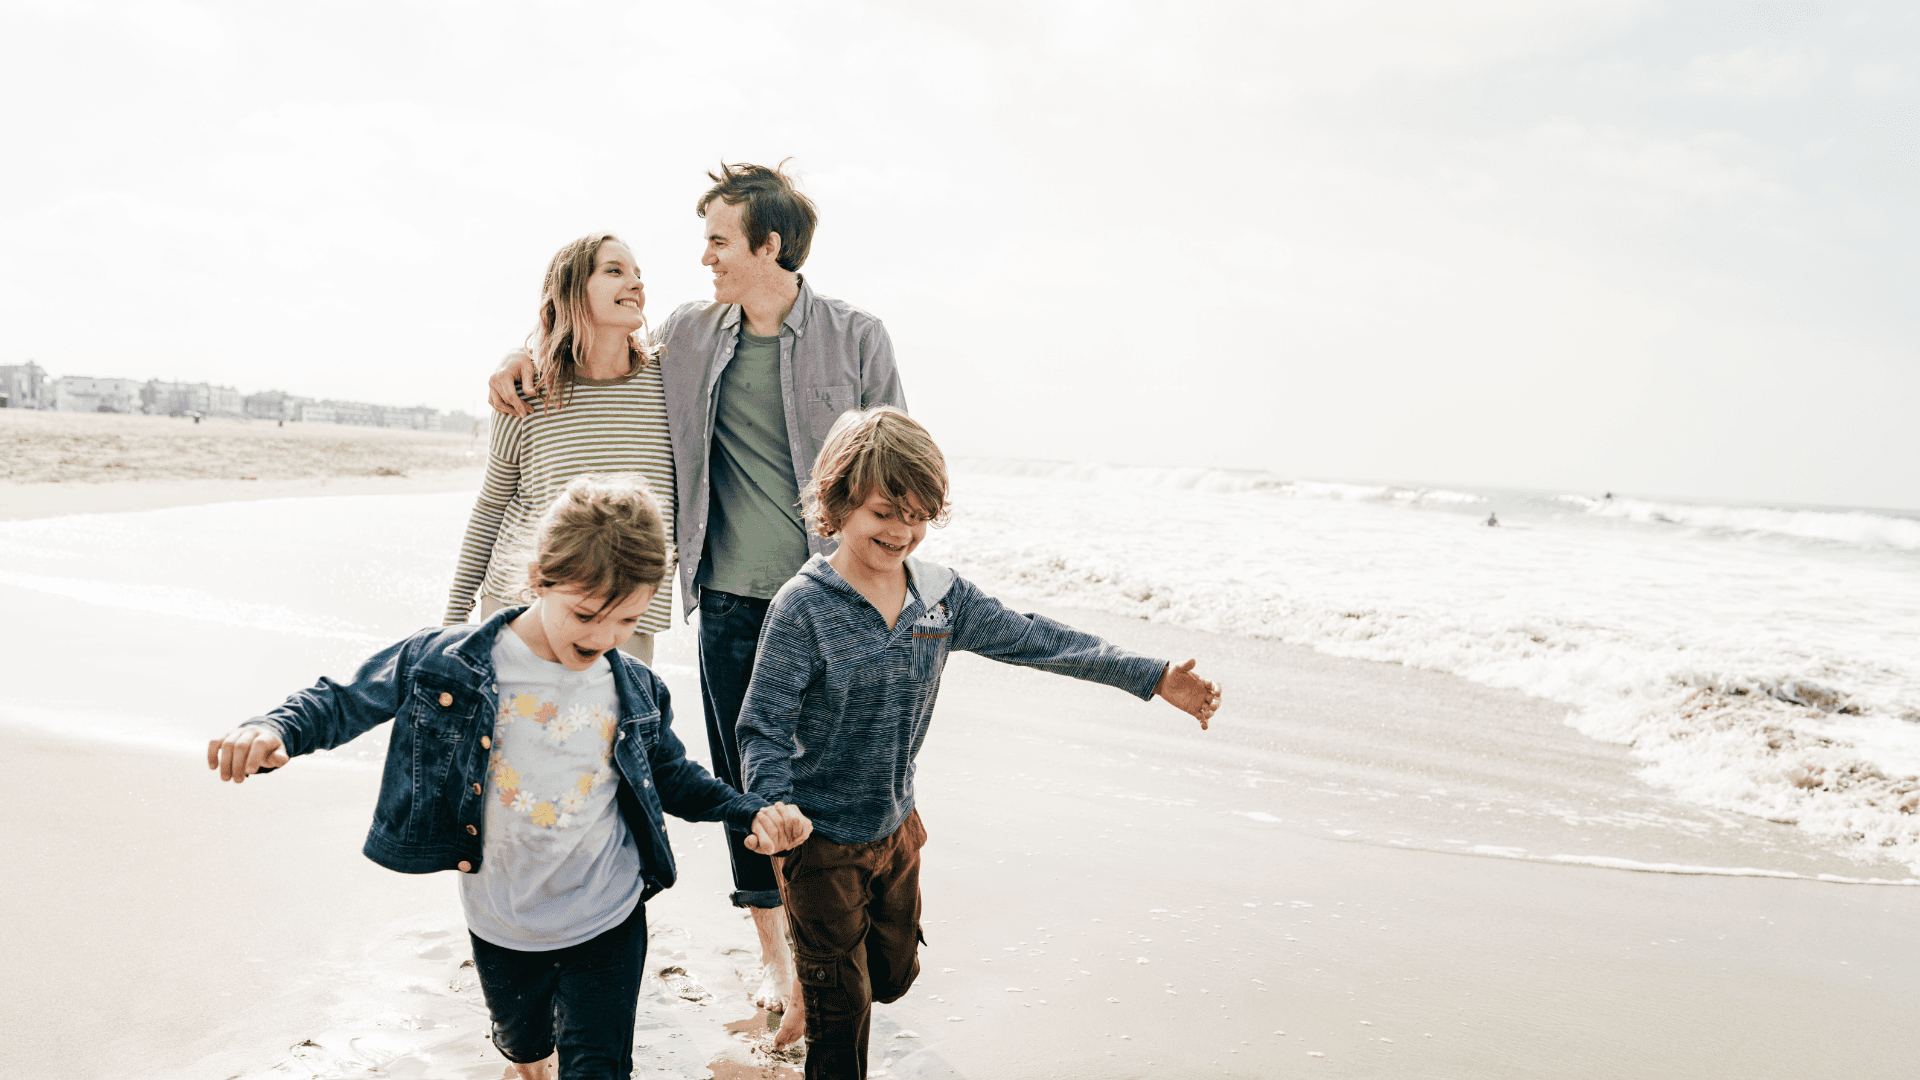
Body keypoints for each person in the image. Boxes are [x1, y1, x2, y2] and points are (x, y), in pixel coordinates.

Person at [488, 161, 906, 1046]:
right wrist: (515, 361)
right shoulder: (689, 335)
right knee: (746, 779)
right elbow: (593, 354)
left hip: (831, 602)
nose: (704, 256)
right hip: (724, 597)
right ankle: (782, 962)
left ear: (770, 244)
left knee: (842, 777)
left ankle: (874, 892)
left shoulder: (857, 337)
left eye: (719, 239)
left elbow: (897, 466)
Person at [206, 474, 814, 1080]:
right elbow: (344, 698)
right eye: (585, 614)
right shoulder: (452, 661)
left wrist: (745, 809)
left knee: (600, 1068)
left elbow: (673, 776)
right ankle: (529, 1063)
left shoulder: (633, 686)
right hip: (503, 922)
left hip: (609, 916)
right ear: (538, 581)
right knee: (523, 1050)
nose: (604, 637)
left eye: (627, 621)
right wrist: (275, 728)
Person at [735, 407, 1223, 1080]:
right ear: (839, 502)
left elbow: (1039, 640)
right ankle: (819, 986)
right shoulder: (804, 607)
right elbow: (762, 723)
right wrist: (773, 806)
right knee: (842, 1017)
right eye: (884, 512)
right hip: (815, 842)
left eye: (916, 515)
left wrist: (1153, 677)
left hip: (896, 829)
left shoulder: (939, 600)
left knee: (890, 977)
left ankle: (817, 980)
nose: (901, 531)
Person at [449, 233, 675, 667]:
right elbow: (492, 506)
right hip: (521, 610)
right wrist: (453, 622)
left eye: (638, 275)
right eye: (615, 270)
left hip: (626, 619)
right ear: (571, 289)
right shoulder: (526, 391)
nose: (636, 284)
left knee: (610, 735)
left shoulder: (670, 382)